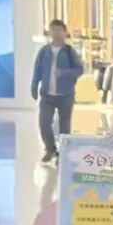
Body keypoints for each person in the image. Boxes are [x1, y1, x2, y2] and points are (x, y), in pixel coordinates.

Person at [31, 19, 84, 162]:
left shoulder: (70, 51)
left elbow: (80, 70)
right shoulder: (44, 51)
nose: (56, 32)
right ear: (49, 32)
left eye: (60, 30)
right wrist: (34, 87)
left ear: (65, 32)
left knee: (64, 127)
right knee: (44, 123)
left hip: (65, 95)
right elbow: (37, 70)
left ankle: (63, 154)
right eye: (53, 29)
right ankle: (50, 150)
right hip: (47, 95)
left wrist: (64, 73)